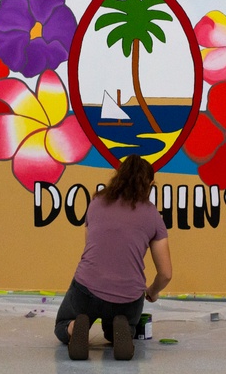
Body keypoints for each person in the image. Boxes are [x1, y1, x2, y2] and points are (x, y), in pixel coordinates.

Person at [54, 155, 172, 361]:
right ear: (150, 184)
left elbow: (89, 248)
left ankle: (76, 326)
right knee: (122, 327)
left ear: (118, 176)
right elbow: (166, 273)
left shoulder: (97, 202)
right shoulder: (152, 215)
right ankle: (121, 330)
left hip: (87, 290)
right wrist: (152, 292)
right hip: (128, 297)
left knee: (61, 326)